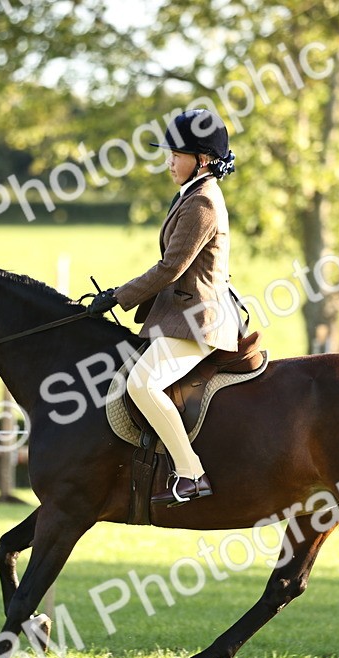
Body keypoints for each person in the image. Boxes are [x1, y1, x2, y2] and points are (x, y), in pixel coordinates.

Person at [87, 108, 240, 507]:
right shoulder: (191, 193)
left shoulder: (203, 202)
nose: (169, 161)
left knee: (142, 383)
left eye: (176, 154)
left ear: (202, 159)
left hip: (199, 320)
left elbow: (171, 267)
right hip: (181, 316)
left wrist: (118, 296)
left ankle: (191, 474)